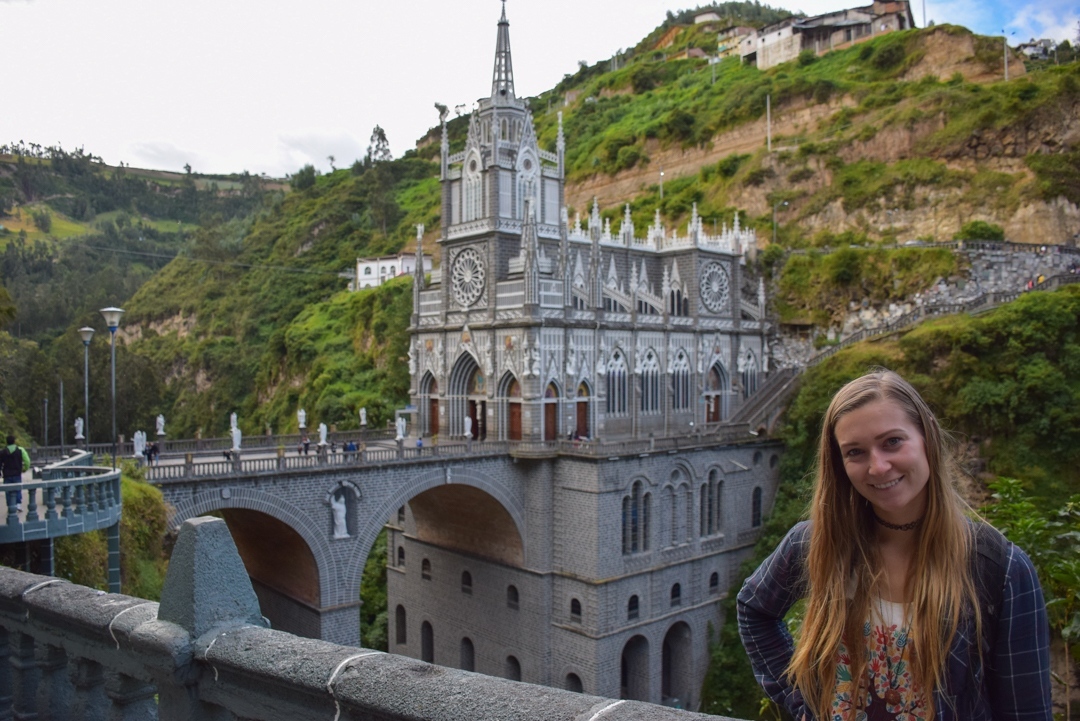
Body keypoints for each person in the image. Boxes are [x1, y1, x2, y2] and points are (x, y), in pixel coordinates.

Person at [737, 369, 1051, 721]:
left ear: (926, 435)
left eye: (892, 442)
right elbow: (754, 609)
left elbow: (1027, 711)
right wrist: (803, 701)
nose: (878, 467)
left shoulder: (999, 568)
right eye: (855, 452)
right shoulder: (816, 543)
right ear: (839, 464)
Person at [1, 434, 31, 512]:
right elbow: (27, 461)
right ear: (14, 442)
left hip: (7, 474)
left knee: (8, 491)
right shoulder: (20, 450)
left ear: (6, 442)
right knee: (18, 489)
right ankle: (18, 504)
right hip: (17, 473)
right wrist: (25, 468)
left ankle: (10, 505)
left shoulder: (3, 452)